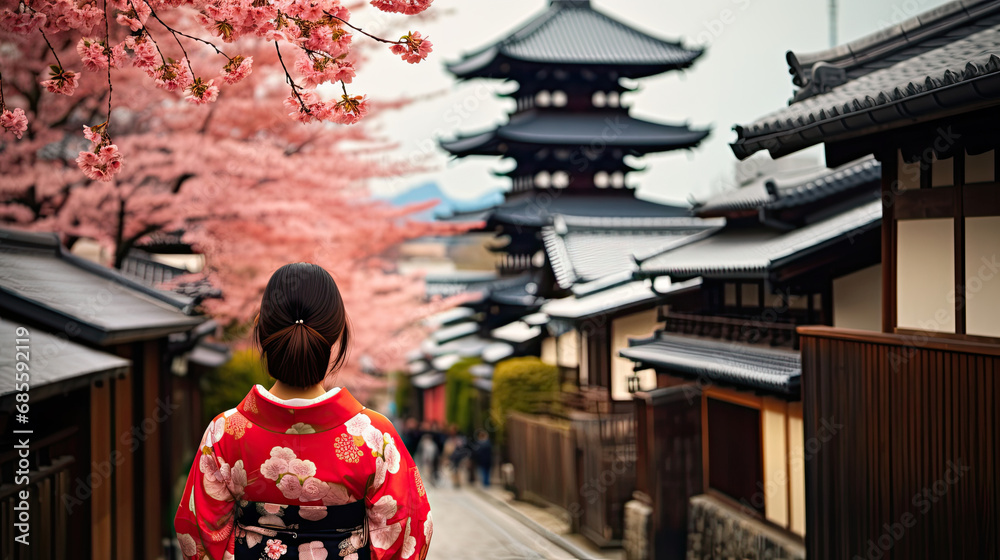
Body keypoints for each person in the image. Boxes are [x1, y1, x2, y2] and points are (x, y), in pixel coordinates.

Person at [174, 263, 432, 560]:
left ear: (261, 328)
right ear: (338, 334)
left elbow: (195, 532)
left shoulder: (225, 432)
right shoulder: (376, 436)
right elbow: (410, 530)